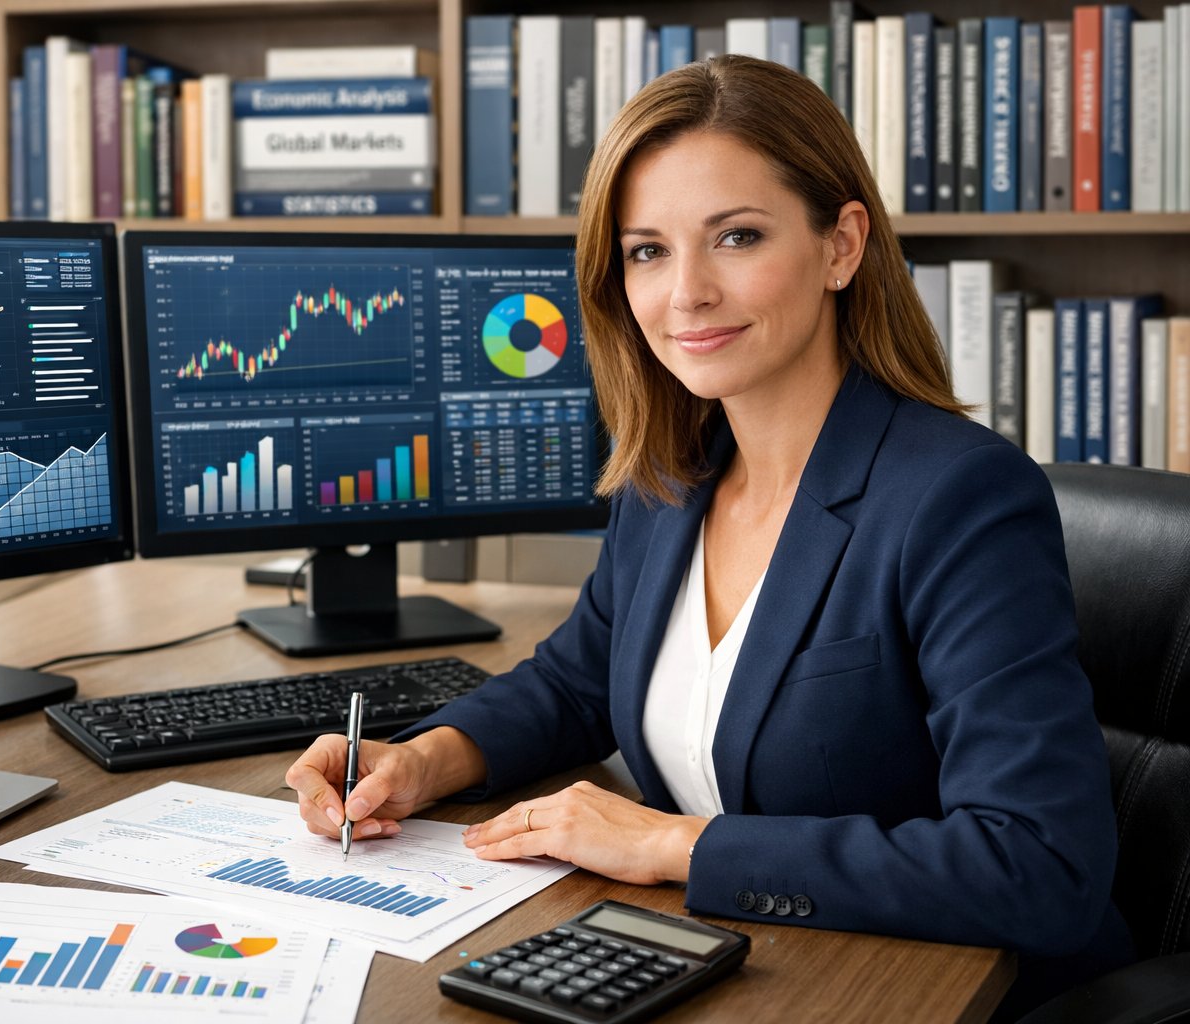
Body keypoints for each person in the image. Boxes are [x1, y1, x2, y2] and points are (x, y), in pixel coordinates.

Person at [285, 55, 1133, 1013]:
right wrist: (422, 760)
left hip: (925, 996)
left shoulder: (958, 497)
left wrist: (666, 844)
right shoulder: (672, 475)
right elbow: (577, 681)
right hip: (743, 966)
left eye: (735, 236)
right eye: (647, 250)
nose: (684, 292)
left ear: (842, 245)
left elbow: (1040, 865)